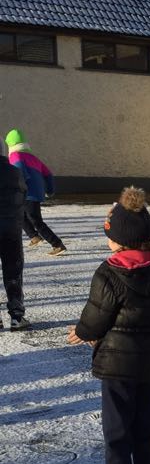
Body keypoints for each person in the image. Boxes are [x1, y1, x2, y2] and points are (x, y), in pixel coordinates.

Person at [67, 187, 150, 464]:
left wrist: (84, 332)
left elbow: (96, 315)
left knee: (117, 434)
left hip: (117, 363)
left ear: (119, 238)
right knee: (145, 429)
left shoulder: (111, 271)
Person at [5, 127, 66, 256]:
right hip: (36, 192)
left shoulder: (15, 155)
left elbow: (19, 174)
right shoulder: (33, 157)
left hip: (27, 193)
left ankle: (57, 244)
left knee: (36, 220)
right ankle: (34, 236)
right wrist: (50, 190)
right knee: (20, 215)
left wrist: (14, 189)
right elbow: (48, 174)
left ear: (10, 144)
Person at [0, 145, 30, 330]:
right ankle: (17, 316)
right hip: (11, 229)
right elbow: (23, 195)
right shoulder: (15, 172)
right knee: (13, 272)